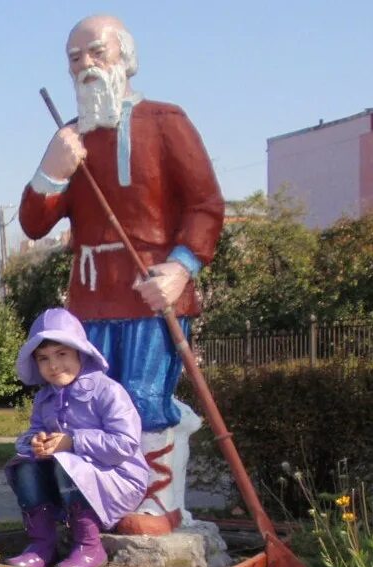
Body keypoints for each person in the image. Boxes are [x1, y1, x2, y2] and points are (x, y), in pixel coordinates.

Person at [18, 13, 224, 535]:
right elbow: (34, 222)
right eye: (74, 58)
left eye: (96, 53)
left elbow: (205, 204)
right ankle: (98, 508)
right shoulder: (70, 138)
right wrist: (50, 169)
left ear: (125, 58)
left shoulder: (164, 120)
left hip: (151, 297)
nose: (85, 65)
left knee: (142, 397)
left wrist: (181, 269)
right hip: (88, 302)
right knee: (89, 406)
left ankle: (154, 503)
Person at [5, 307, 148, 567]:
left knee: (65, 463)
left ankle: (89, 545)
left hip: (119, 478)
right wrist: (36, 442)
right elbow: (36, 430)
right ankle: (42, 544)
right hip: (68, 480)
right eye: (43, 358)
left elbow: (126, 443)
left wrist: (72, 441)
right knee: (24, 464)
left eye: (62, 354)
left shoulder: (108, 391)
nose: (54, 365)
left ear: (80, 353)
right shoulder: (44, 398)